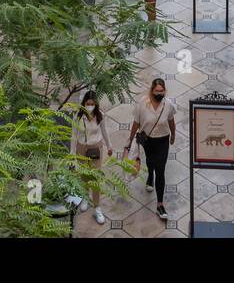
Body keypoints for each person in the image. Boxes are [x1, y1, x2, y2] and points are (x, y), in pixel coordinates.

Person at [125, 78, 176, 221]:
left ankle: (160, 204)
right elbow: (136, 122)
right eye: (157, 91)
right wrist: (130, 139)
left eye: (162, 91)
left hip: (162, 140)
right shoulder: (143, 103)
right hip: (147, 139)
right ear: (152, 90)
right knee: (150, 161)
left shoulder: (168, 105)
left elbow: (171, 121)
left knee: (161, 169)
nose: (159, 93)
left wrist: (173, 135)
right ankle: (149, 176)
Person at [70, 90, 114, 225]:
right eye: (87, 103)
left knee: (95, 178)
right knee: (84, 176)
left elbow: (105, 131)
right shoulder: (78, 116)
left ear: (95, 103)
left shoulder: (100, 115)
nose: (90, 106)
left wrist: (109, 146)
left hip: (96, 149)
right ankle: (84, 197)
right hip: (82, 148)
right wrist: (72, 154)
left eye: (92, 103)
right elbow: (73, 135)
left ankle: (97, 206)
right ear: (84, 103)